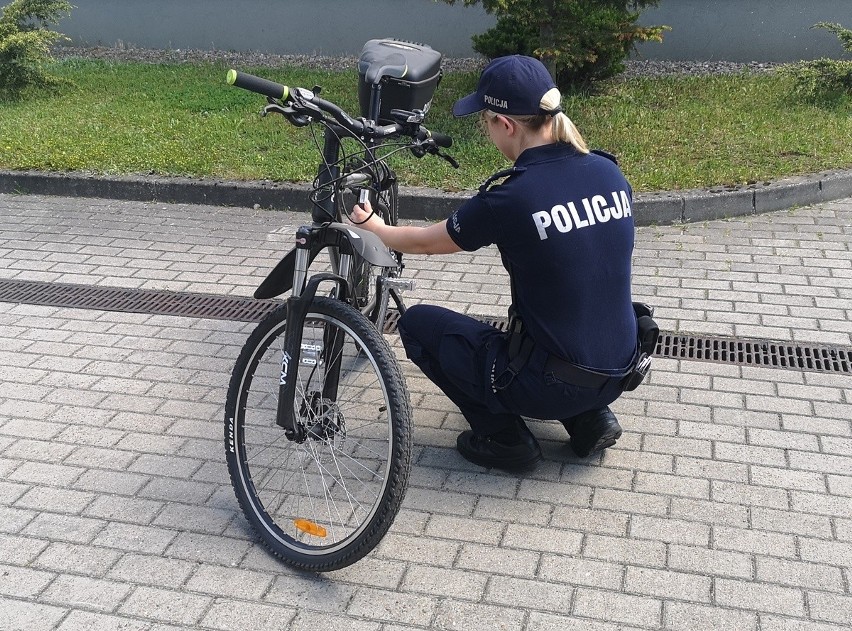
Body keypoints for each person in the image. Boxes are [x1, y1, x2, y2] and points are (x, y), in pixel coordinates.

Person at [349, 55, 638, 471]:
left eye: (485, 121)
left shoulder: (512, 198)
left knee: (419, 326)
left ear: (506, 125)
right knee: (568, 303)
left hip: (552, 382)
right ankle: (590, 417)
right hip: (619, 370)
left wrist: (375, 226)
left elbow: (426, 243)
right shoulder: (608, 173)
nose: (486, 132)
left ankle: (506, 441)